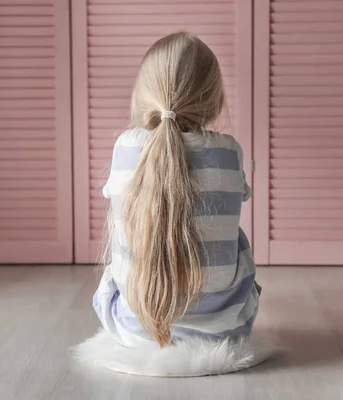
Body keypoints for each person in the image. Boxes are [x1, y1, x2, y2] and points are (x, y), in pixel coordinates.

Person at [93, 32, 261, 349]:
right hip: (225, 331)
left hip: (134, 330)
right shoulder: (229, 152)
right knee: (233, 235)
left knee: (129, 224)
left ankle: (148, 316)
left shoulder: (126, 147)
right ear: (214, 99)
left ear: (144, 95)